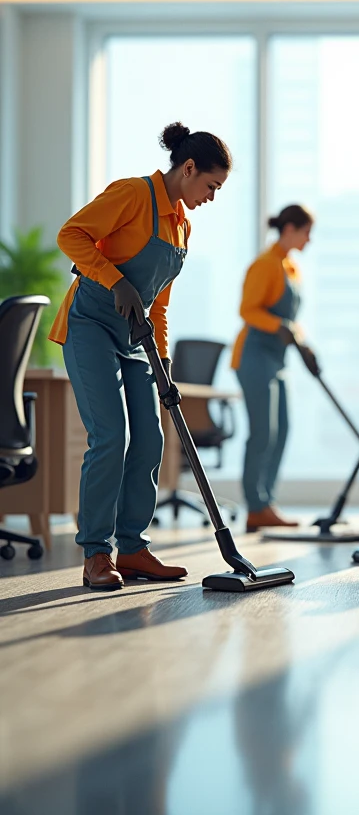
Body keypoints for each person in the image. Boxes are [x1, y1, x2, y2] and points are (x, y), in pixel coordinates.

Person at [49, 122, 232, 590]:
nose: (212, 196)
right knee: (111, 435)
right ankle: (96, 553)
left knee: (150, 438)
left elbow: (159, 303)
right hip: (90, 326)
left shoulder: (182, 225)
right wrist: (116, 281)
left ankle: (132, 547)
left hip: (136, 340)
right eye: (210, 185)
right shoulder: (133, 194)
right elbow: (71, 235)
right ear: (188, 168)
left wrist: (163, 361)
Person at [231, 204, 318, 532]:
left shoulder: (290, 267)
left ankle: (266, 501)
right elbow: (248, 310)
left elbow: (293, 321)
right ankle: (255, 506)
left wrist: (303, 341)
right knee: (262, 432)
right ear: (290, 229)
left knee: (281, 429)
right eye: (307, 232)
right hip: (254, 357)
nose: (309, 239)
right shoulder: (264, 265)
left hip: (278, 360)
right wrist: (280, 325)